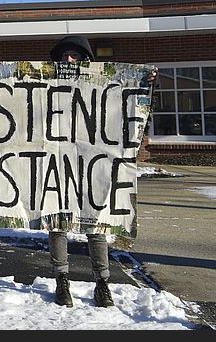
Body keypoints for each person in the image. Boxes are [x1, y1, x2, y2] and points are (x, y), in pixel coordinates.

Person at [45, 35, 157, 308]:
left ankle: (102, 284)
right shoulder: (47, 85)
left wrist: (145, 85)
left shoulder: (105, 85)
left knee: (96, 223)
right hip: (57, 165)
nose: (68, 60)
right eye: (64, 56)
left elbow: (135, 116)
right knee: (57, 224)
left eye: (74, 55)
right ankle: (62, 281)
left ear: (86, 60)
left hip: (95, 166)